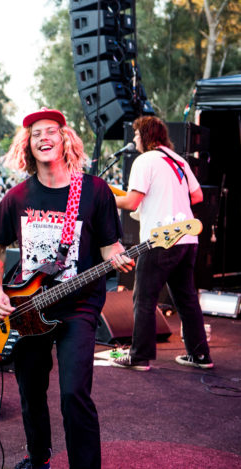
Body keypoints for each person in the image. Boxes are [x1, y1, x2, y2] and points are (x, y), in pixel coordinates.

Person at [0, 108, 133, 469]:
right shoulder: (18, 196)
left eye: (51, 131)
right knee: (31, 391)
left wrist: (119, 257)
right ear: (28, 146)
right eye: (36, 134)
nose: (44, 138)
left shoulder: (94, 191)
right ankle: (38, 458)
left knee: (74, 393)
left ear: (65, 140)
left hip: (79, 306)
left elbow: (110, 248)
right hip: (28, 306)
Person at [113, 115, 212, 371]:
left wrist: (106, 198)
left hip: (160, 239)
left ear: (146, 136)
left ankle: (139, 356)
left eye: (137, 134)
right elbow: (197, 195)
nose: (134, 139)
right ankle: (200, 355)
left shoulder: (144, 160)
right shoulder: (179, 160)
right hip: (186, 238)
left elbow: (131, 202)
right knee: (186, 299)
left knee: (144, 298)